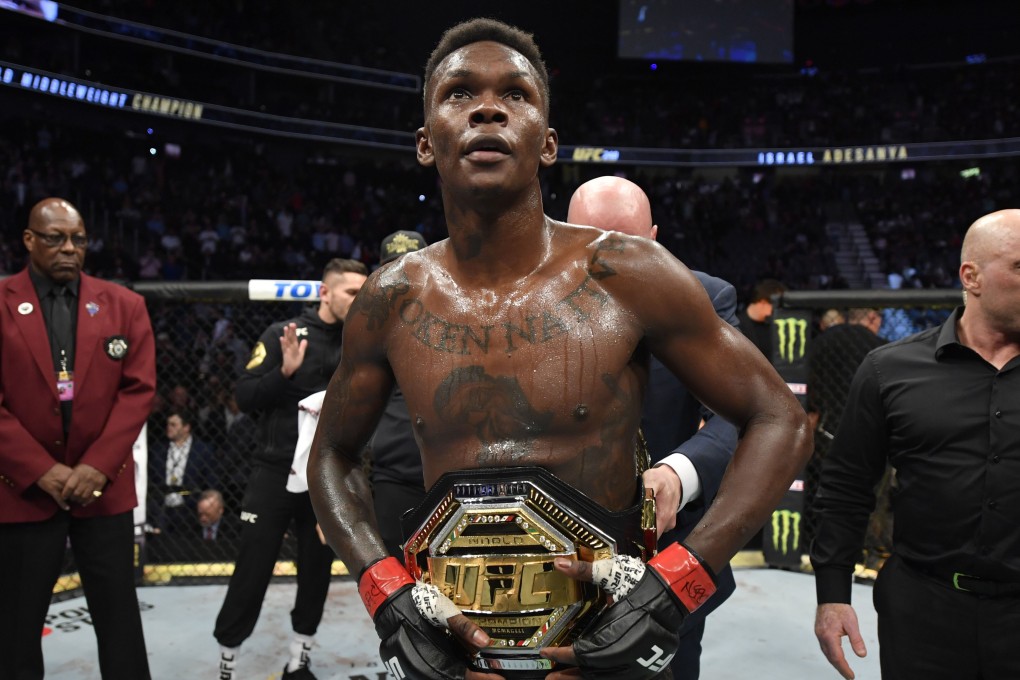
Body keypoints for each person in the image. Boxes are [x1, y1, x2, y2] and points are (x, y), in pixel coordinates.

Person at [309, 18, 810, 680]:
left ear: (547, 145)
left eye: (515, 93)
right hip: (461, 654)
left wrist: (674, 587)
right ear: (426, 142)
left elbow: (782, 419)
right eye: (460, 92)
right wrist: (388, 595)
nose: (489, 107)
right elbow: (332, 453)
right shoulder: (390, 298)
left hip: (605, 649)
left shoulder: (630, 273)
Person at [811, 209, 1020, 680]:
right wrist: (833, 594)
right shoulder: (890, 369)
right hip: (924, 613)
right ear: (972, 277)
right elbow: (846, 487)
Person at [566, 175, 740, 680]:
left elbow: (741, 412)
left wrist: (678, 473)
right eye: (592, 239)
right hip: (551, 547)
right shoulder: (524, 303)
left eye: (629, 240)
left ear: (656, 236)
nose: (611, 255)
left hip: (661, 551)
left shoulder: (703, 297)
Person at [0, 197, 156, 679]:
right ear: (29, 240)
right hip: (23, 491)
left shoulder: (125, 305)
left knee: (119, 620)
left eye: (79, 239)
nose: (70, 248)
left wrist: (96, 468)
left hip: (102, 490)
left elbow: (138, 391)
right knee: (15, 626)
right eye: (56, 238)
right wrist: (41, 470)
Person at [213, 258, 368, 680]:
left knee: (317, 570)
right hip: (273, 472)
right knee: (253, 567)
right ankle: (228, 657)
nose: (359, 300)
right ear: (325, 292)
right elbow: (244, 397)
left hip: (325, 476)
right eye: (351, 292)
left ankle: (299, 658)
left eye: (363, 292)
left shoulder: (361, 341)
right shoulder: (284, 334)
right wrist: (283, 373)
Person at [367, 229, 429, 560]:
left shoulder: (454, 319)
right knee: (395, 582)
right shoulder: (367, 330)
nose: (399, 277)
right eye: (391, 267)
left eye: (408, 265)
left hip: (447, 473)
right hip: (394, 476)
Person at [804, 308, 887, 558]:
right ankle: (868, 548)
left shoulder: (822, 342)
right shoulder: (880, 347)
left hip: (826, 429)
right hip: (870, 432)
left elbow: (809, 385)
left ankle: (818, 544)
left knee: (826, 489)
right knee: (869, 493)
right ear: (873, 317)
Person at [147, 409, 218, 538]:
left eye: (174, 425)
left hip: (189, 506)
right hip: (161, 507)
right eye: (168, 424)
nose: (169, 428)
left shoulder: (203, 450)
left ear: (186, 428)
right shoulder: (158, 449)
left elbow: (210, 481)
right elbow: (152, 479)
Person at [738, 278, 787, 359]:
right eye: (778, 306)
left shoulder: (777, 326)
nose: (780, 310)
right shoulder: (735, 326)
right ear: (763, 301)